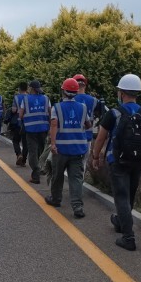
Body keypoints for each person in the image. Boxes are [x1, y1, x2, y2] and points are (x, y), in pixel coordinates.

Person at [91, 73, 141, 251]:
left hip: (118, 162)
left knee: (121, 197)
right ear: (137, 93)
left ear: (121, 93)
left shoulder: (114, 113)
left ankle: (128, 238)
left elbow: (100, 138)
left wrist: (95, 156)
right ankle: (121, 223)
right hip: (139, 162)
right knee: (130, 195)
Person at [45, 78, 90, 218]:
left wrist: (53, 144)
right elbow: (88, 124)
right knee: (75, 178)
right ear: (76, 92)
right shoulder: (83, 107)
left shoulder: (56, 108)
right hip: (78, 149)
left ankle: (56, 199)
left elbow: (53, 125)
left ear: (63, 91)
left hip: (61, 149)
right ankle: (77, 207)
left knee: (57, 175)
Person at [19, 80, 50, 184]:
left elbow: (21, 115)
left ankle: (36, 173)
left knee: (32, 152)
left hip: (30, 130)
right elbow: (50, 114)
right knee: (41, 150)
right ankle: (40, 168)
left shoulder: (26, 99)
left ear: (31, 88)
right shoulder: (46, 99)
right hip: (43, 129)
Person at [73, 74, 99, 172]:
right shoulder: (93, 100)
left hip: (73, 137)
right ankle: (79, 184)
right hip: (87, 137)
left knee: (72, 164)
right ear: (85, 86)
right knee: (82, 164)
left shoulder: (71, 100)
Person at [11, 82, 28, 167]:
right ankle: (24, 160)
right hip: (27, 123)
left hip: (18, 123)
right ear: (27, 89)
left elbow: (14, 110)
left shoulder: (16, 97)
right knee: (25, 143)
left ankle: (19, 154)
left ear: (19, 89)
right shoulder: (29, 97)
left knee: (16, 140)